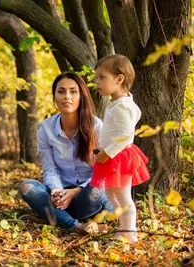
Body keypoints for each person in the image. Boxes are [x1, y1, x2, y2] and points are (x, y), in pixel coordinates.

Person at [19, 71, 113, 234]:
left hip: (89, 194)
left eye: (73, 91)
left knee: (94, 190)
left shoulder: (96, 127)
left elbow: (102, 173)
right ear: (54, 97)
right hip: (62, 195)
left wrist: (76, 191)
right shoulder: (46, 128)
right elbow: (50, 170)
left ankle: (51, 217)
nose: (67, 96)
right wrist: (56, 191)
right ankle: (75, 225)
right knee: (27, 187)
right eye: (61, 91)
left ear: (81, 96)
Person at [90, 54, 150, 244]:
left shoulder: (122, 106)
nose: (97, 82)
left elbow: (126, 136)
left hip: (119, 157)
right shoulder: (119, 103)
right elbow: (127, 122)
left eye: (102, 77)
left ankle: (129, 232)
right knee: (110, 193)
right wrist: (102, 147)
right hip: (111, 154)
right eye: (96, 77)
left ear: (119, 79)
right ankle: (121, 224)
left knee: (123, 196)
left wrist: (107, 152)